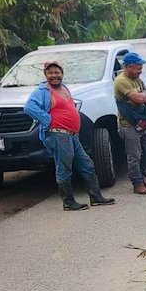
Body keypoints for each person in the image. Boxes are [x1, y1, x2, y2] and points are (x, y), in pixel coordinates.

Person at [24, 61, 115, 211]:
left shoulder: (64, 87)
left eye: (57, 72)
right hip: (59, 135)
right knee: (64, 168)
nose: (54, 75)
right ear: (45, 75)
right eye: (50, 73)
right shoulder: (42, 91)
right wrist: (47, 119)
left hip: (71, 135)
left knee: (87, 165)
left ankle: (96, 197)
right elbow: (29, 107)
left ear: (62, 73)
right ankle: (68, 202)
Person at [115, 52, 146, 195]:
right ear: (129, 67)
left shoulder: (137, 80)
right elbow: (140, 99)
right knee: (134, 155)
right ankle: (137, 183)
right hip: (128, 124)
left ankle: (140, 175)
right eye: (138, 68)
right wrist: (145, 97)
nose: (141, 71)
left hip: (140, 122)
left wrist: (145, 96)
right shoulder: (121, 81)